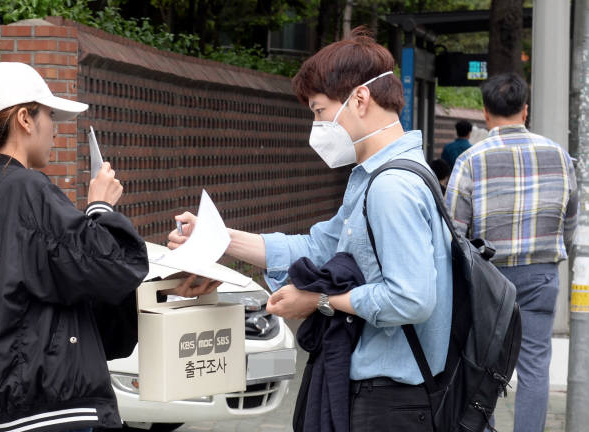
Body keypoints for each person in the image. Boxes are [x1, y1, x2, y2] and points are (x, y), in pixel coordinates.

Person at [168, 28, 452, 432]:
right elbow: (319, 245)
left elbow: (411, 298)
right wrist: (217, 237)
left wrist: (319, 300)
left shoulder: (391, 187)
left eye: (319, 112)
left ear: (359, 99)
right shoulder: (382, 177)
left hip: (393, 401)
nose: (316, 126)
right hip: (391, 393)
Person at [0, 61, 218, 432]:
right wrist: (100, 207)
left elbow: (71, 286)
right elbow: (113, 265)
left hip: (20, 406)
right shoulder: (26, 188)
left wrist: (166, 290)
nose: (55, 130)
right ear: (25, 119)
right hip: (49, 407)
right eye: (49, 115)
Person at [445, 72, 578, 432]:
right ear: (525, 110)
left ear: (485, 114)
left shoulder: (471, 161)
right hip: (541, 274)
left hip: (490, 277)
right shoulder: (560, 157)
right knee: (535, 365)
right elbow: (571, 222)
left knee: (484, 364)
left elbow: (454, 231)